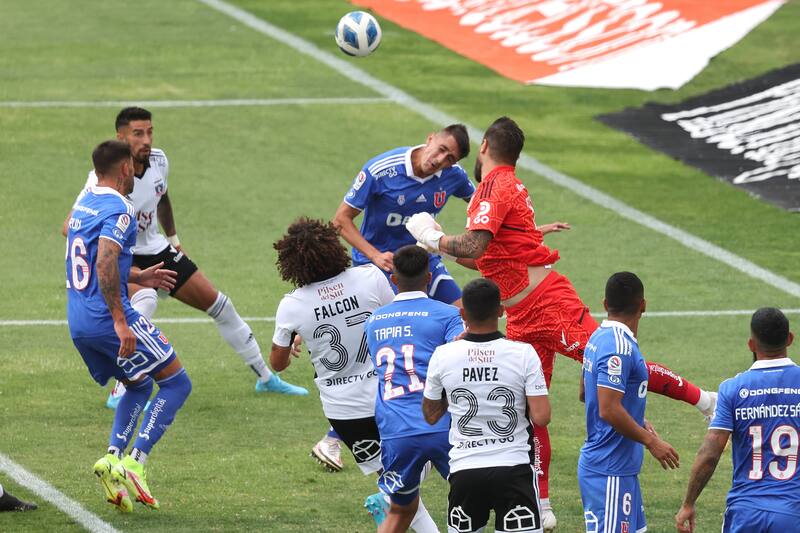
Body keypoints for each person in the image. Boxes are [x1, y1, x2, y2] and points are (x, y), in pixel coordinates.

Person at [406, 116, 716, 530]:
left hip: (549, 305)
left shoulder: (494, 187)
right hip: (520, 314)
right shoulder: (500, 187)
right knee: (527, 407)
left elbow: (476, 245)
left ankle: (705, 401)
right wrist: (441, 244)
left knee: (613, 359)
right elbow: (487, 257)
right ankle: (543, 504)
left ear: (483, 149)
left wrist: (432, 238)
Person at [63, 107, 306, 407]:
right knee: (145, 301)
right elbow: (71, 224)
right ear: (121, 137)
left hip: (157, 249)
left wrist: (175, 241)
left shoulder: (159, 161)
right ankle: (122, 387)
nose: (146, 139)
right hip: (126, 255)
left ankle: (266, 378)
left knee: (221, 306)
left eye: (150, 131)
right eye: (138, 133)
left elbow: (162, 196)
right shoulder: (103, 179)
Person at [269, 220, 439, 531]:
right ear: (335, 248)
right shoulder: (370, 278)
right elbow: (396, 320)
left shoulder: (292, 305)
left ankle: (388, 498)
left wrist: (300, 334)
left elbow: (277, 364)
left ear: (291, 262)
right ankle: (391, 500)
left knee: (397, 483)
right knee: (419, 463)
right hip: (390, 394)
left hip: (345, 411)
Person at [67, 140, 193, 511]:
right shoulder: (120, 208)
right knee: (176, 382)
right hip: (110, 317)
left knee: (136, 385)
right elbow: (105, 262)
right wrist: (122, 322)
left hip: (79, 321)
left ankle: (112, 457)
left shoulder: (83, 204)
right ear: (125, 170)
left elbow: (96, 260)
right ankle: (136, 461)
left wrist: (139, 274)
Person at [423, 278, 551, 533]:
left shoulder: (443, 355)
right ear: (501, 311)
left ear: (462, 314)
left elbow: (430, 414)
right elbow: (542, 417)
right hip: (514, 468)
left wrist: (458, 388)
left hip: (465, 470)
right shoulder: (523, 354)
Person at [364, 245, 465, 533]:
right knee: (467, 505)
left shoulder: (374, 322)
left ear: (393, 279)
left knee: (401, 509)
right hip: (442, 425)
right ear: (429, 277)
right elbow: (456, 361)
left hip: (396, 430)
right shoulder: (447, 315)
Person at [675, 308, 799, 533]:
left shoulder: (732, 389)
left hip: (744, 513)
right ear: (790, 338)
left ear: (751, 344)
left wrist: (688, 503)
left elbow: (710, 454)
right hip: (793, 512)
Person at [579, 272, 679, 533]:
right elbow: (608, 408)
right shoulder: (619, 348)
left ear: (605, 304)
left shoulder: (597, 339)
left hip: (618, 470)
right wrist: (652, 441)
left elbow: (585, 392)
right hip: (609, 469)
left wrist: (636, 418)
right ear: (643, 305)